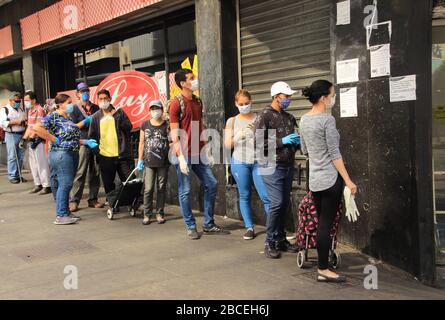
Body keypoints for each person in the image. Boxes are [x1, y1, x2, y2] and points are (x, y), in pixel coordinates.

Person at [300, 80, 358, 283]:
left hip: (315, 181)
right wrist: (348, 181)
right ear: (323, 98)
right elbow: (335, 154)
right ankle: (323, 269)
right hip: (331, 180)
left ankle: (323, 264)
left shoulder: (304, 119)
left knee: (320, 225)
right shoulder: (327, 120)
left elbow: (305, 151)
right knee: (326, 225)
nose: (334, 98)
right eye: (332, 95)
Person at [169, 68, 229, 240]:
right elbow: (174, 133)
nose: (195, 80)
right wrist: (180, 158)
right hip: (184, 153)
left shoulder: (198, 101)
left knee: (212, 184)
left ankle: (209, 223)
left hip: (199, 152)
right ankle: (190, 225)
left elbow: (199, 126)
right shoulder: (176, 103)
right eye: (191, 78)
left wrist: (207, 149)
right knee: (185, 190)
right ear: (182, 83)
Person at [33, 94, 98, 225]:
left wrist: (85, 141)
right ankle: (61, 214)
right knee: (66, 184)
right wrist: (54, 139)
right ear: (60, 104)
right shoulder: (54, 116)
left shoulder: (66, 118)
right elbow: (37, 128)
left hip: (70, 153)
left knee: (64, 184)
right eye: (69, 102)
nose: (71, 105)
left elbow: (68, 138)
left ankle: (65, 211)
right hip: (62, 154)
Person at [254, 81, 301, 259]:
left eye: (289, 97)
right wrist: (283, 141)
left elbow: (294, 141)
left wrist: (296, 143)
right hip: (270, 165)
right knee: (277, 203)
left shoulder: (289, 118)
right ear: (276, 97)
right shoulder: (264, 116)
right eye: (286, 96)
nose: (288, 99)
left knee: (284, 204)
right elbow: (258, 144)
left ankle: (281, 240)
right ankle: (270, 241)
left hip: (288, 165)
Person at [224, 89, 270, 240]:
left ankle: (273, 228)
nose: (244, 106)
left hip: (258, 161)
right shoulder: (232, 121)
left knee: (266, 196)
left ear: (251, 102)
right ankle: (249, 227)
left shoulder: (259, 118)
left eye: (247, 103)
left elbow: (269, 140)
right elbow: (227, 144)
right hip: (239, 162)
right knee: (244, 195)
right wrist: (238, 136)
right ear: (236, 104)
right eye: (241, 104)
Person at [88, 89, 134, 204]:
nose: (103, 101)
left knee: (129, 181)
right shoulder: (95, 117)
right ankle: (112, 204)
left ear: (110, 99)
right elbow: (91, 138)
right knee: (108, 183)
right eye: (101, 99)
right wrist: (97, 152)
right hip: (105, 156)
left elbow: (129, 127)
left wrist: (116, 116)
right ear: (98, 101)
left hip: (121, 154)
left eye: (105, 98)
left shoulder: (119, 112)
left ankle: (131, 202)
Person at [69, 82, 104, 212]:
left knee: (95, 172)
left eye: (87, 91)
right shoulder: (74, 109)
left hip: (95, 142)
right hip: (83, 143)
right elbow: (72, 127)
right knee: (80, 172)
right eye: (82, 91)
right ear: (77, 94)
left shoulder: (96, 108)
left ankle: (93, 199)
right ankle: (74, 200)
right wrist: (85, 121)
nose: (85, 94)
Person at [137, 100, 170, 225]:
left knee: (161, 188)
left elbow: (172, 140)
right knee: (148, 188)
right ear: (149, 110)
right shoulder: (144, 125)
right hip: (149, 162)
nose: (155, 111)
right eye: (152, 109)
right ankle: (147, 214)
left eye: (157, 108)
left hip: (163, 162)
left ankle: (160, 213)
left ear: (161, 110)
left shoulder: (167, 125)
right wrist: (140, 159)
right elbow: (141, 143)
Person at [22, 91, 51, 194]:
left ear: (33, 100)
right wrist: (24, 138)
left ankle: (47, 185)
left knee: (41, 163)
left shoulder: (40, 110)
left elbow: (38, 127)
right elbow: (29, 127)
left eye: (27, 100)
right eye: (25, 100)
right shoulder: (30, 110)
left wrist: (30, 137)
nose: (25, 102)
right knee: (33, 164)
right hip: (31, 140)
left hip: (39, 140)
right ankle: (38, 184)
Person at [0, 92, 27, 184]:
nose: (18, 102)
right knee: (12, 156)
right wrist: (16, 122)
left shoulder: (21, 109)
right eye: (16, 101)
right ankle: (12, 176)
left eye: (19, 101)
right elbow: (2, 123)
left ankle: (18, 175)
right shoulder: (5, 110)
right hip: (11, 134)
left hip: (21, 134)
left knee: (20, 156)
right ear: (11, 101)